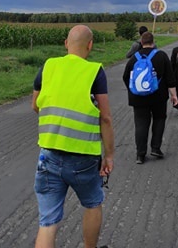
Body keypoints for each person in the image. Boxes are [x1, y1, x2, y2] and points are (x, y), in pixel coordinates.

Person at [31, 25, 114, 248]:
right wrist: (109, 155)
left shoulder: (48, 66)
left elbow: (36, 105)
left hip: (48, 154)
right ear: (90, 45)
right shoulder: (94, 71)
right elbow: (105, 117)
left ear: (66, 44)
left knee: (48, 222)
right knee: (93, 203)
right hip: (84, 158)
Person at [122, 31, 178, 164]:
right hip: (158, 96)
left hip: (138, 98)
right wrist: (174, 95)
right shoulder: (161, 55)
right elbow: (170, 78)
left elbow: (125, 77)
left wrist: (134, 90)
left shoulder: (134, 58)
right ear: (153, 42)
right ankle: (155, 148)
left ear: (141, 42)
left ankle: (140, 154)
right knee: (159, 119)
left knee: (141, 124)